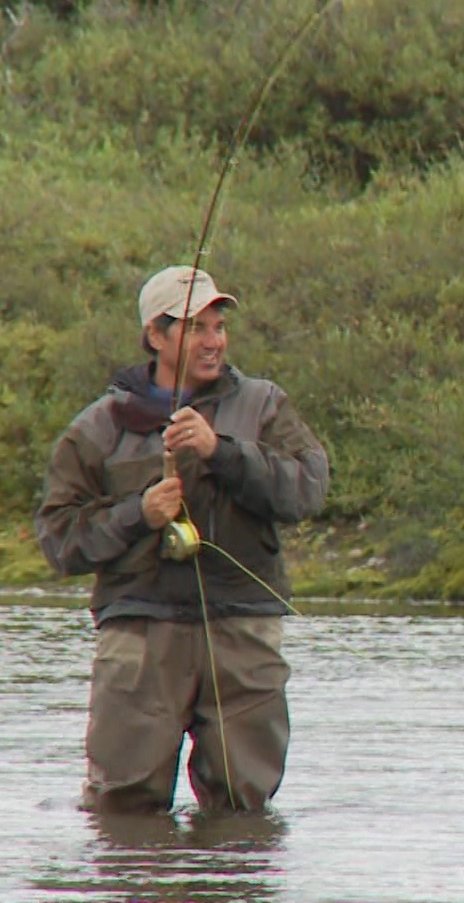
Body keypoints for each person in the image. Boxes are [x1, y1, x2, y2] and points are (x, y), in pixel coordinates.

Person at [36, 266, 329, 814]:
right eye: (196, 328)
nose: (214, 341)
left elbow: (307, 489)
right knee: (123, 810)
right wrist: (138, 514)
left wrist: (223, 453)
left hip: (242, 628)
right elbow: (59, 539)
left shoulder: (264, 406)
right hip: (141, 633)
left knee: (244, 810)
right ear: (155, 334)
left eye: (219, 326)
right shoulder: (99, 427)